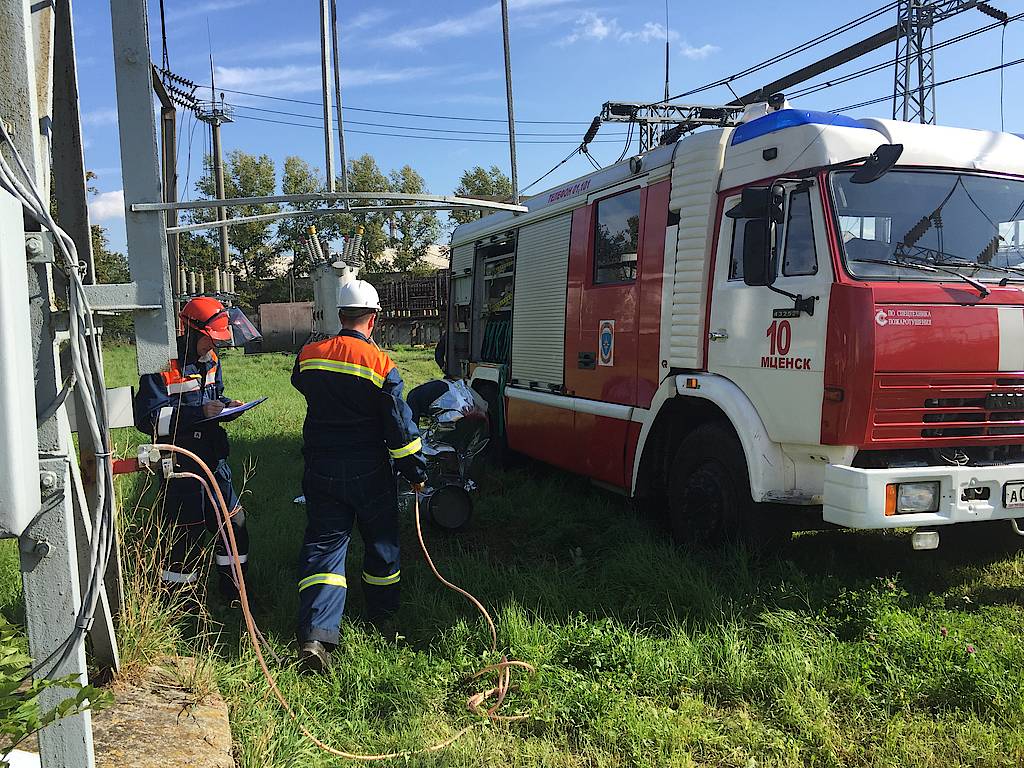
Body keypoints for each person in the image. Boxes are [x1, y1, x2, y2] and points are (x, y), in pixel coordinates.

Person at [291, 280, 427, 673]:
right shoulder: (382, 364)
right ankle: (384, 618)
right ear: (374, 318)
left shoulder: (310, 355)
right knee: (381, 544)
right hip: (368, 470)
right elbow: (400, 431)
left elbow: (300, 382)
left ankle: (316, 636)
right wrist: (415, 471)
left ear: (341, 315)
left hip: (321, 468)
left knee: (324, 548)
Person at [134, 297, 259, 599]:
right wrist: (199, 414)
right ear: (189, 330)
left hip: (214, 460)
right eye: (209, 339)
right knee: (184, 533)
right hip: (181, 464)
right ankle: (180, 602)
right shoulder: (162, 365)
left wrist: (229, 407)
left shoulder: (212, 359)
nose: (213, 346)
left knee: (233, 523)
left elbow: (215, 396)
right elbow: (149, 420)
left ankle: (234, 595)